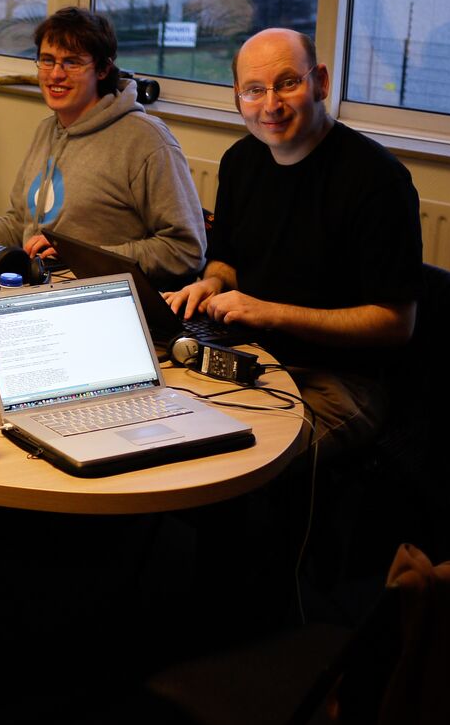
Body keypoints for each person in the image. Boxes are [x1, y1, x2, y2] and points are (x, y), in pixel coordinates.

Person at [164, 28, 422, 459]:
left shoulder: (378, 180)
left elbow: (395, 322)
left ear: (320, 82)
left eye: (287, 83)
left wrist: (269, 313)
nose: (271, 105)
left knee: (247, 457)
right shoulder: (241, 161)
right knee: (161, 424)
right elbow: (226, 259)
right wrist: (212, 284)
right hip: (251, 356)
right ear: (237, 97)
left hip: (339, 378)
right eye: (254, 90)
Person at [0, 7, 206, 287]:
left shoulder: (147, 140)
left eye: (72, 63)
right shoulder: (48, 130)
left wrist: (83, 257)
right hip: (45, 291)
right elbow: (21, 226)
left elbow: (185, 251)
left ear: (103, 69)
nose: (56, 74)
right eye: (47, 60)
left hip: (108, 303)